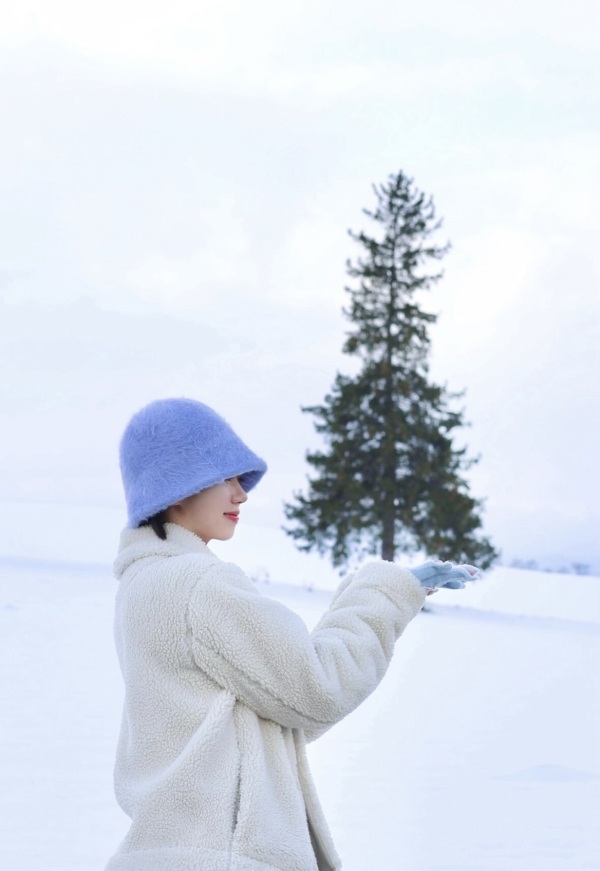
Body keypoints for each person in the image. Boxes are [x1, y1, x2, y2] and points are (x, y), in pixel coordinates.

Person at [105, 398, 479, 871]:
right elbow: (317, 689)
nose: (241, 495)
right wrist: (386, 592)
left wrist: (381, 593)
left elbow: (284, 706)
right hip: (224, 855)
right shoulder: (199, 585)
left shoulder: (141, 586)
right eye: (226, 477)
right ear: (177, 488)